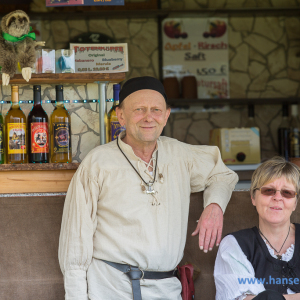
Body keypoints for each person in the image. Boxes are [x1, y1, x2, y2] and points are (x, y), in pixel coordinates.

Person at [58, 76, 238, 300]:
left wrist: (214, 205)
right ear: (120, 116)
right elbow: (75, 243)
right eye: (139, 110)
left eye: (156, 110)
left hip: (167, 289)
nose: (148, 117)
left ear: (166, 116)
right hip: (110, 289)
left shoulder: (180, 155)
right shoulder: (97, 163)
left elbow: (222, 174)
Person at [214, 157, 300, 300]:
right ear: (253, 197)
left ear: (295, 203)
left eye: (287, 193)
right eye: (268, 191)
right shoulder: (234, 245)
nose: (277, 198)